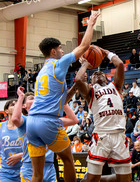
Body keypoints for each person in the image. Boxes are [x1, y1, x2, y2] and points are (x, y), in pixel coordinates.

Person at [26, 12, 100, 182]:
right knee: (67, 160)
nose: (62, 50)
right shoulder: (58, 63)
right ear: (53, 51)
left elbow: (61, 102)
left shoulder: (41, 73)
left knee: (37, 174)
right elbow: (84, 46)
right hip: (48, 122)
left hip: (32, 123)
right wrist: (91, 23)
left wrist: (75, 86)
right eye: (60, 48)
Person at [75, 49, 131, 182]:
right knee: (92, 178)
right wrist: (85, 65)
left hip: (119, 135)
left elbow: (120, 65)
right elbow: (78, 79)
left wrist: (106, 52)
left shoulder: (116, 85)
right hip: (101, 136)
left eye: (101, 73)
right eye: (94, 74)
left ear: (106, 78)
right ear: (91, 81)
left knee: (125, 180)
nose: (98, 74)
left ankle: (100, 179)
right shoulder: (90, 92)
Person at [12, 87, 56, 182]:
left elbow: (74, 120)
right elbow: (15, 119)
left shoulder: (48, 119)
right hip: (30, 167)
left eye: (36, 98)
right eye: (31, 98)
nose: (35, 99)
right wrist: (21, 96)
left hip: (49, 166)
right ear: (24, 106)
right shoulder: (25, 120)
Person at [0, 100, 23, 182]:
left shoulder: (26, 125)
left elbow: (35, 147)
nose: (16, 106)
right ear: (6, 110)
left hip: (24, 169)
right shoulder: (1, 126)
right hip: (6, 172)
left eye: (17, 104)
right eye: (13, 105)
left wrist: (20, 155)